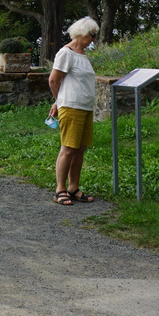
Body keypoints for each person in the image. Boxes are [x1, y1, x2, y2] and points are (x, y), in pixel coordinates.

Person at [47, 17, 99, 204]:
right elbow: (54, 80)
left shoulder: (82, 54)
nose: (93, 39)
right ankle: (60, 189)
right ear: (83, 33)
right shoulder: (66, 53)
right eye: (92, 35)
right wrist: (59, 102)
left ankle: (73, 188)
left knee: (80, 149)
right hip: (71, 107)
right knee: (68, 149)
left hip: (85, 108)